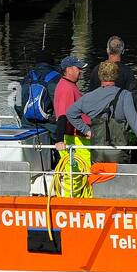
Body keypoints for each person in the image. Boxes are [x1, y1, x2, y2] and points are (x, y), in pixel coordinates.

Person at [63, 61, 137, 166]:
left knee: (100, 179)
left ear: (100, 77)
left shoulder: (90, 96)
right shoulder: (125, 95)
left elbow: (70, 113)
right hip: (119, 151)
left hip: (98, 151)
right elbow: (134, 122)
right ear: (116, 76)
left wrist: (87, 131)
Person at [51, 55, 90, 197]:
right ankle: (72, 202)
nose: (81, 71)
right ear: (68, 70)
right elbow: (62, 115)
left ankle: (82, 201)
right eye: (78, 68)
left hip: (77, 138)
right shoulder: (67, 88)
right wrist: (59, 140)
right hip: (73, 140)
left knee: (82, 173)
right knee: (76, 174)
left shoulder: (68, 85)